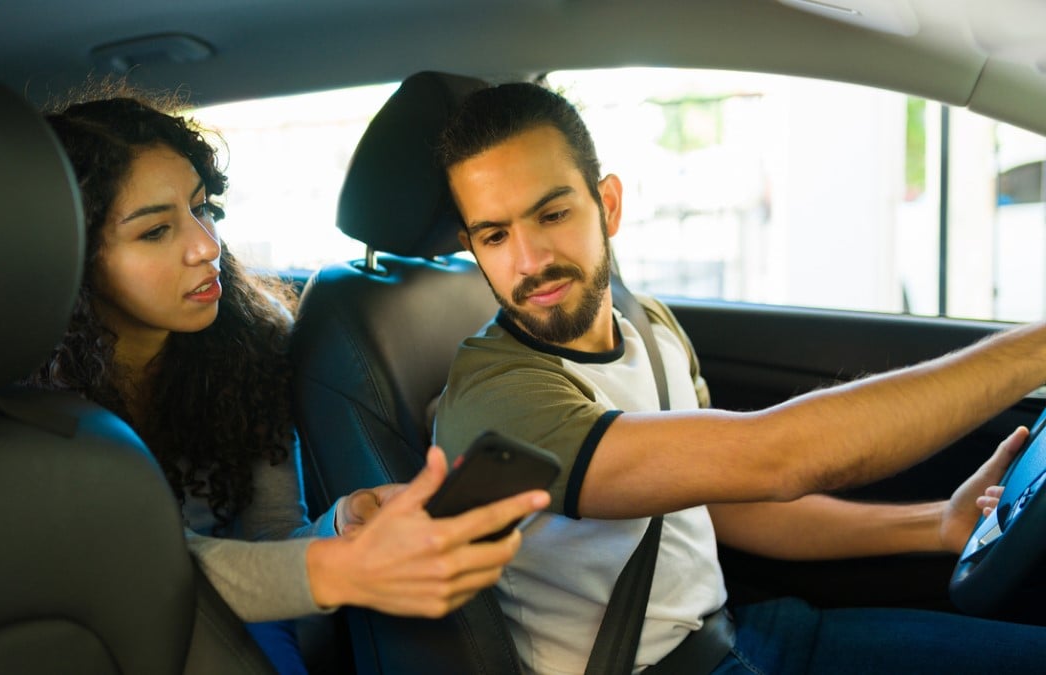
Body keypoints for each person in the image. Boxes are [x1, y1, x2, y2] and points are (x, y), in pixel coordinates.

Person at [432, 80, 1046, 674]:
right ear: (472, 246)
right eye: (495, 235)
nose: (530, 260)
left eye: (553, 213)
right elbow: (778, 457)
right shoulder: (497, 397)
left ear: (608, 204)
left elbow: (727, 504)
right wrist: (1033, 353)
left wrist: (936, 525)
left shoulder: (649, 324)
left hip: (743, 634)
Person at [24, 83, 549, 674]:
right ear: (73, 254)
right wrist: (344, 571)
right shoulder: (26, 395)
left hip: (241, 627)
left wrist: (345, 522)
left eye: (202, 209)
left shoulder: (251, 341)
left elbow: (272, 538)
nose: (205, 247)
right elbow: (121, 573)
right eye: (154, 232)